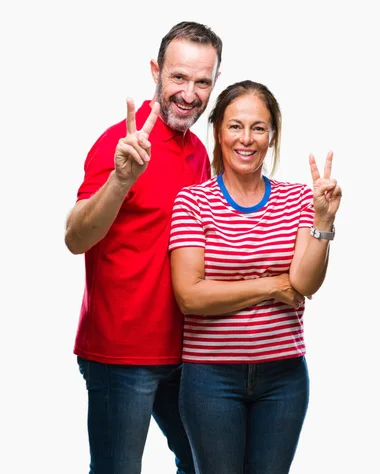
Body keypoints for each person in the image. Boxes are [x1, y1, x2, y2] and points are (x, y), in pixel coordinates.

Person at [64, 21, 223, 474]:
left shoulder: (197, 151)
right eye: (178, 77)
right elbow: (76, 237)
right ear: (156, 71)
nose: (189, 94)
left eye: (202, 82)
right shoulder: (121, 145)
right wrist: (120, 180)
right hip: (121, 354)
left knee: (205, 463)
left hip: (186, 353)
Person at [168, 80, 342, 474]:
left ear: (272, 136)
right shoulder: (193, 202)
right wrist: (271, 285)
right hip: (210, 379)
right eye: (235, 126)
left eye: (258, 128)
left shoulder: (299, 199)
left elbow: (305, 284)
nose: (246, 139)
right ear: (218, 131)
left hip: (284, 378)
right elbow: (190, 297)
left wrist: (322, 221)